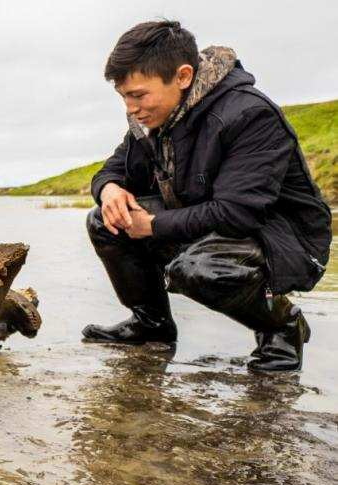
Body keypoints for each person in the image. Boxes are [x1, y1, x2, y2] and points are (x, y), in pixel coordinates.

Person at [83, 20, 331, 372]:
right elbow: (112, 169)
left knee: (200, 270)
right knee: (105, 220)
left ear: (182, 77)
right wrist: (109, 190)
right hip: (209, 222)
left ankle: (282, 327)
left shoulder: (249, 114)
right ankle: (152, 324)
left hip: (282, 240)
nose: (131, 107)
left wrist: (152, 225)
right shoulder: (152, 119)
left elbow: (237, 213)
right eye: (124, 96)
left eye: (138, 95)